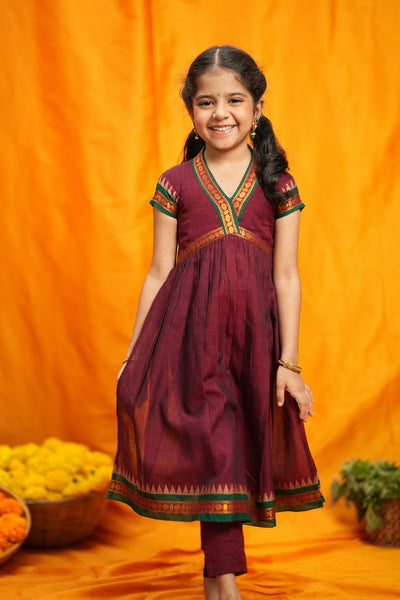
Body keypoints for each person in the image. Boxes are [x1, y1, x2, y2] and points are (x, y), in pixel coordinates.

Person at [108, 45, 324, 600]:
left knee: (237, 446)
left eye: (235, 100)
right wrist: (133, 356)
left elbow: (287, 276)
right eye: (206, 102)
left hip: (256, 341)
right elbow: (159, 272)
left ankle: (217, 577)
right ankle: (222, 581)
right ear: (191, 110)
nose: (220, 113)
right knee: (215, 447)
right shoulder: (175, 182)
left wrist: (289, 364)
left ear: (257, 108)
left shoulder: (278, 184)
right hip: (189, 337)